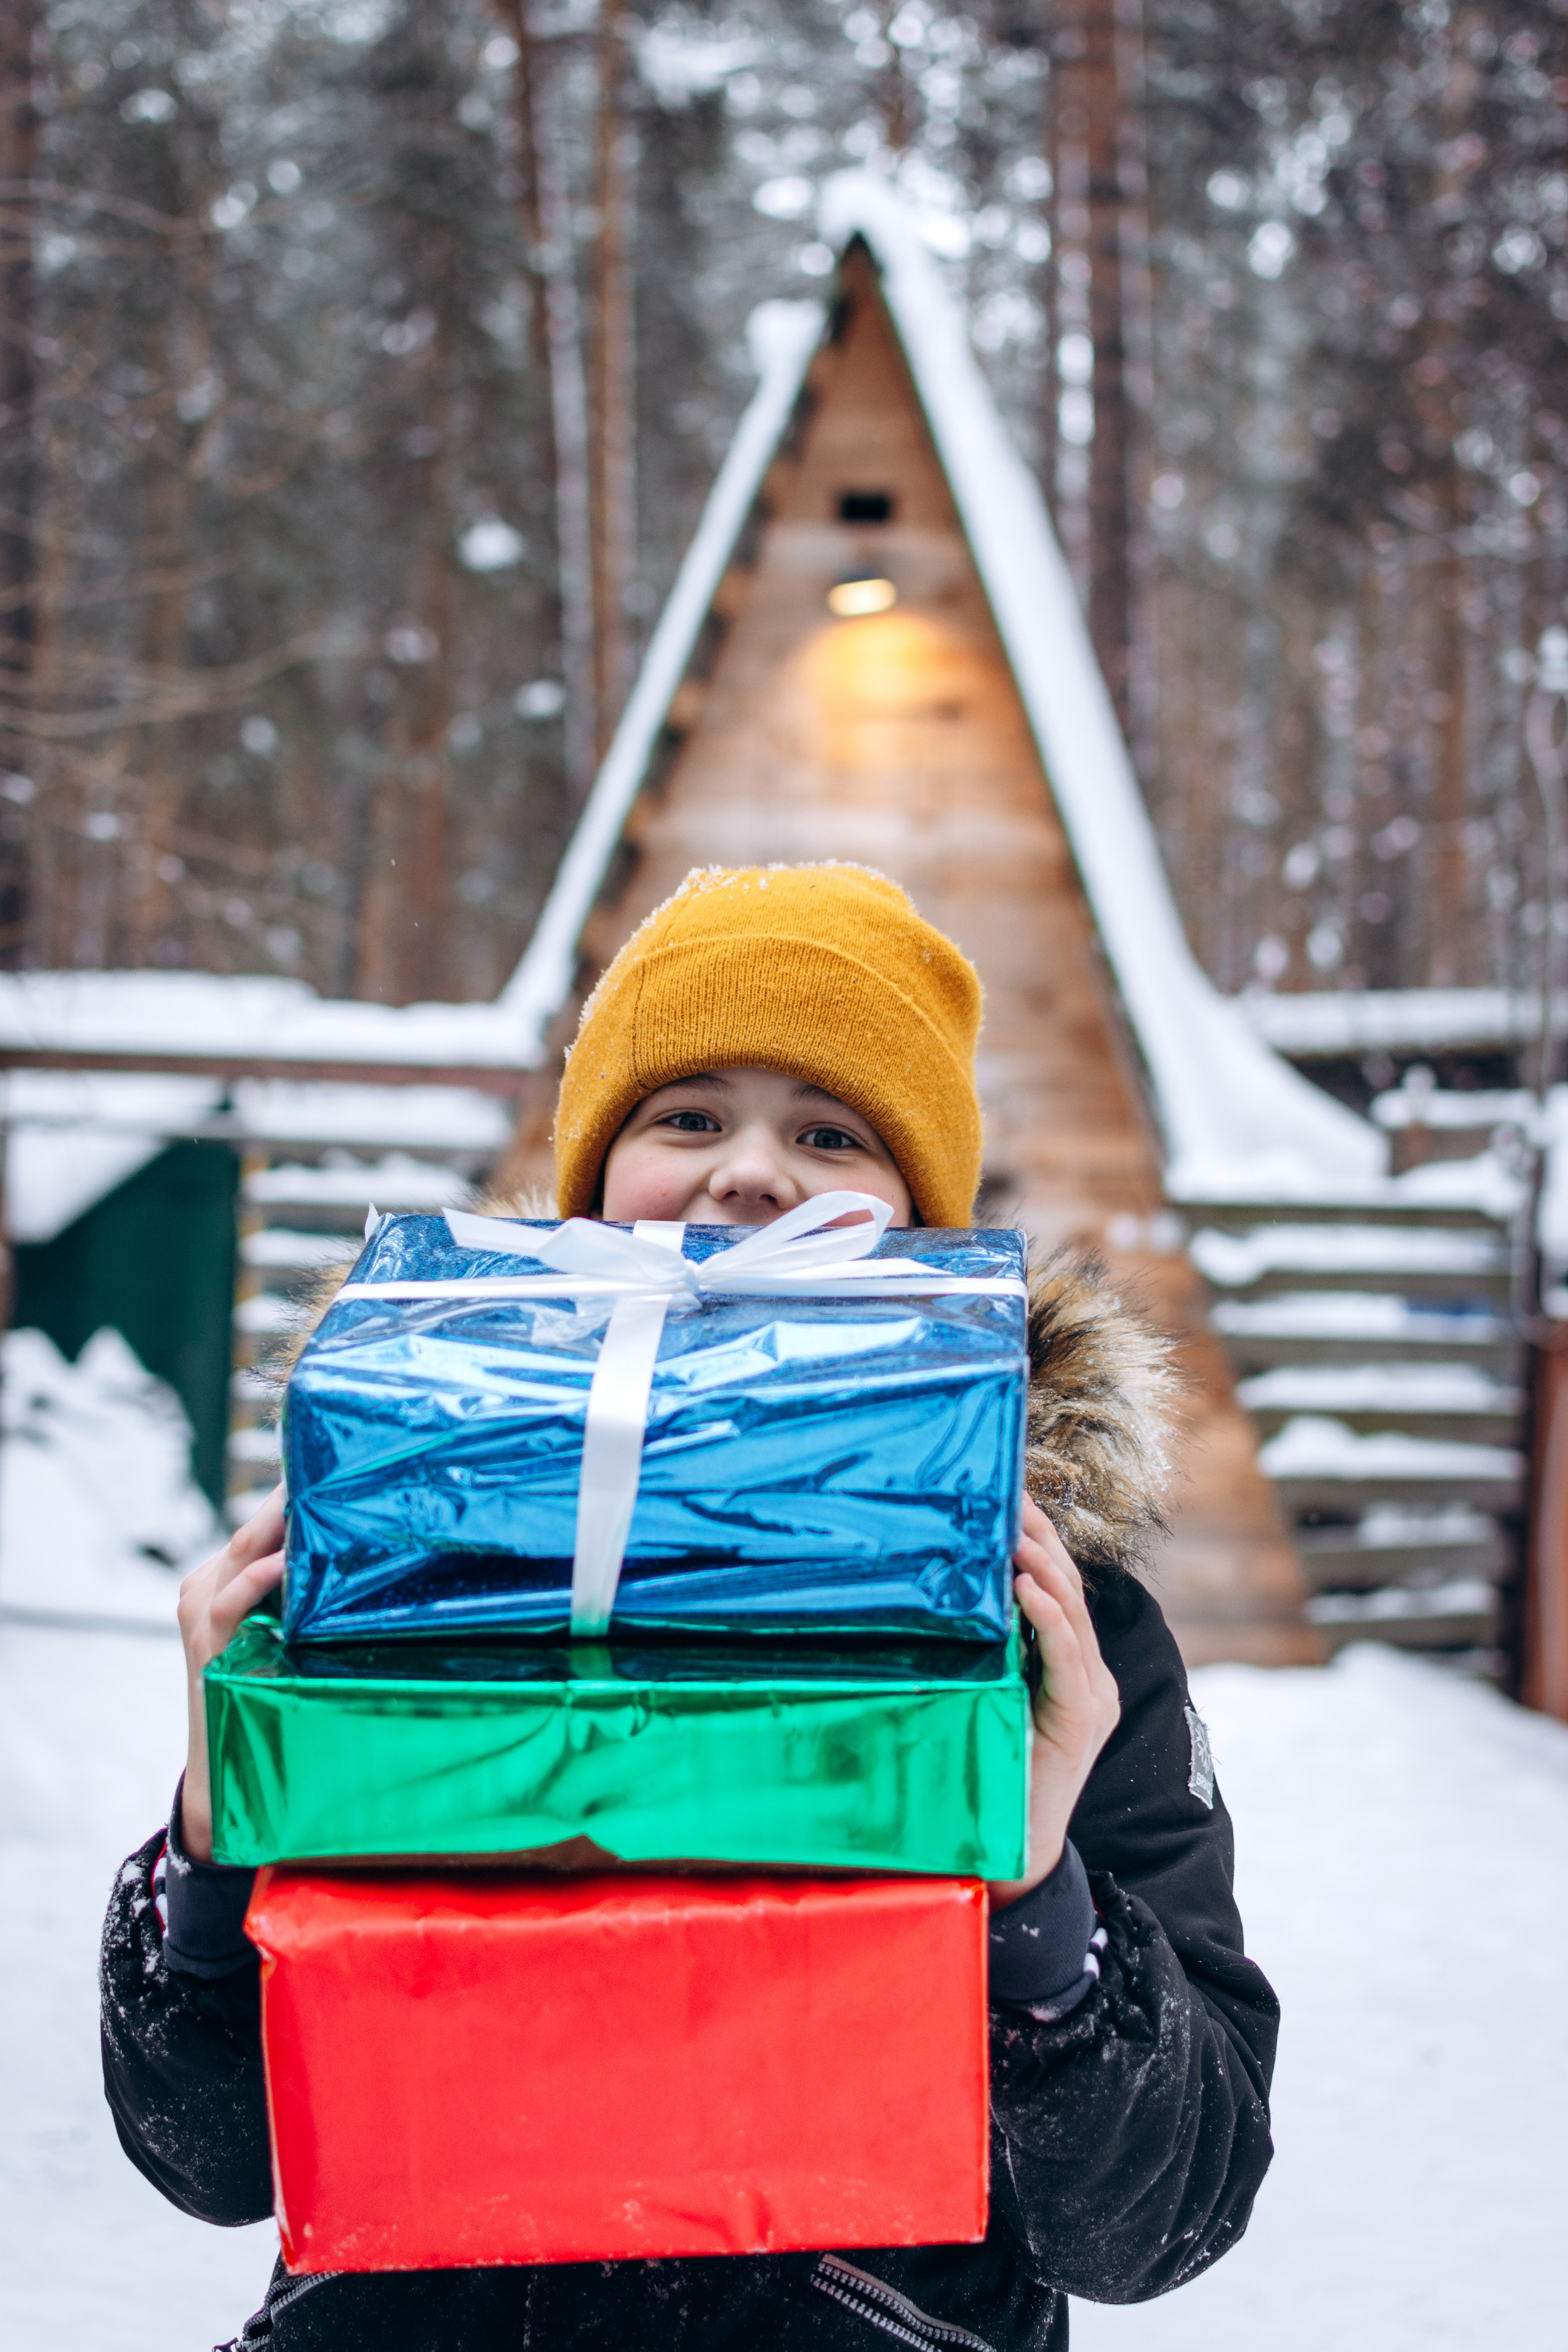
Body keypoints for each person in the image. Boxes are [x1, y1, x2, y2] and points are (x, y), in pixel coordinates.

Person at [101, 863, 1277, 2351]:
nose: (752, 1175)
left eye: (830, 1134)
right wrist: (223, 1821)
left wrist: (1033, 1888)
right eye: (688, 1117)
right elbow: (207, 2157)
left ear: (924, 1221)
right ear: (592, 1186)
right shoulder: (411, 1539)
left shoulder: (1055, 1626)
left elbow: (1160, 2223)